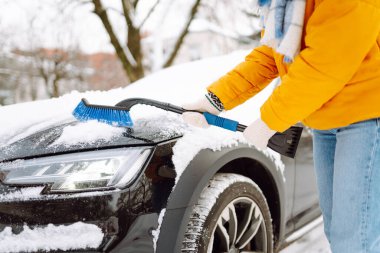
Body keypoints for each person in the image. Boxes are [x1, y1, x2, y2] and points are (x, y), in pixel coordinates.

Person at [182, 0, 380, 252]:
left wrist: (268, 121)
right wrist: (215, 99)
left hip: (366, 118)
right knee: (341, 233)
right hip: (324, 123)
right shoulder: (285, 5)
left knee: (354, 238)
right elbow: (271, 55)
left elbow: (324, 63)